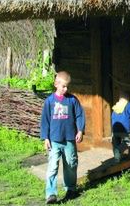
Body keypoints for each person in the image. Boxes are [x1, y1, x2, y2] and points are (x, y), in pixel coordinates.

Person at [40, 71, 86, 205]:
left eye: (67, 86)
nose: (66, 89)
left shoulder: (72, 100)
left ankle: (71, 189)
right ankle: (51, 194)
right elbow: (45, 121)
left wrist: (80, 130)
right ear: (56, 84)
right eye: (63, 86)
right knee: (53, 166)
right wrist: (45, 138)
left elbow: (79, 115)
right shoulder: (49, 102)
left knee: (71, 164)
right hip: (54, 140)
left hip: (69, 139)